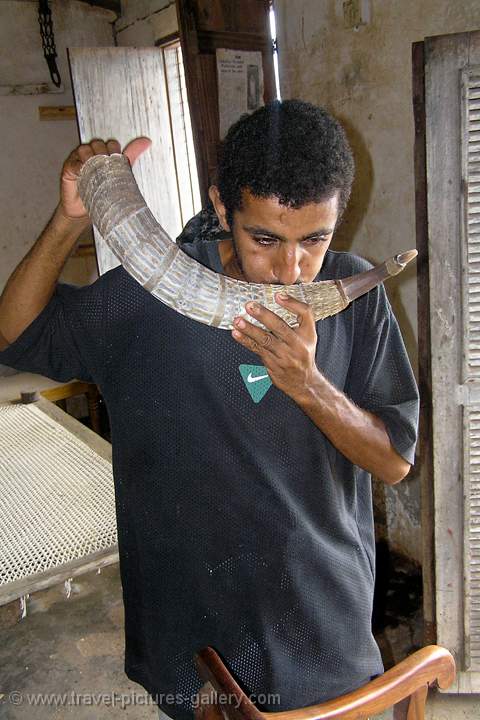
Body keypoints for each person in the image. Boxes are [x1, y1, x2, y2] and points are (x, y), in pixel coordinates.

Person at [0, 100, 419, 720]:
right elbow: (17, 337)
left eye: (315, 240)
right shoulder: (152, 293)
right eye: (265, 238)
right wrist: (68, 222)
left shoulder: (356, 297)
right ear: (222, 208)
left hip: (320, 611)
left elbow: (392, 462)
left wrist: (310, 387)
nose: (290, 270)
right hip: (191, 610)